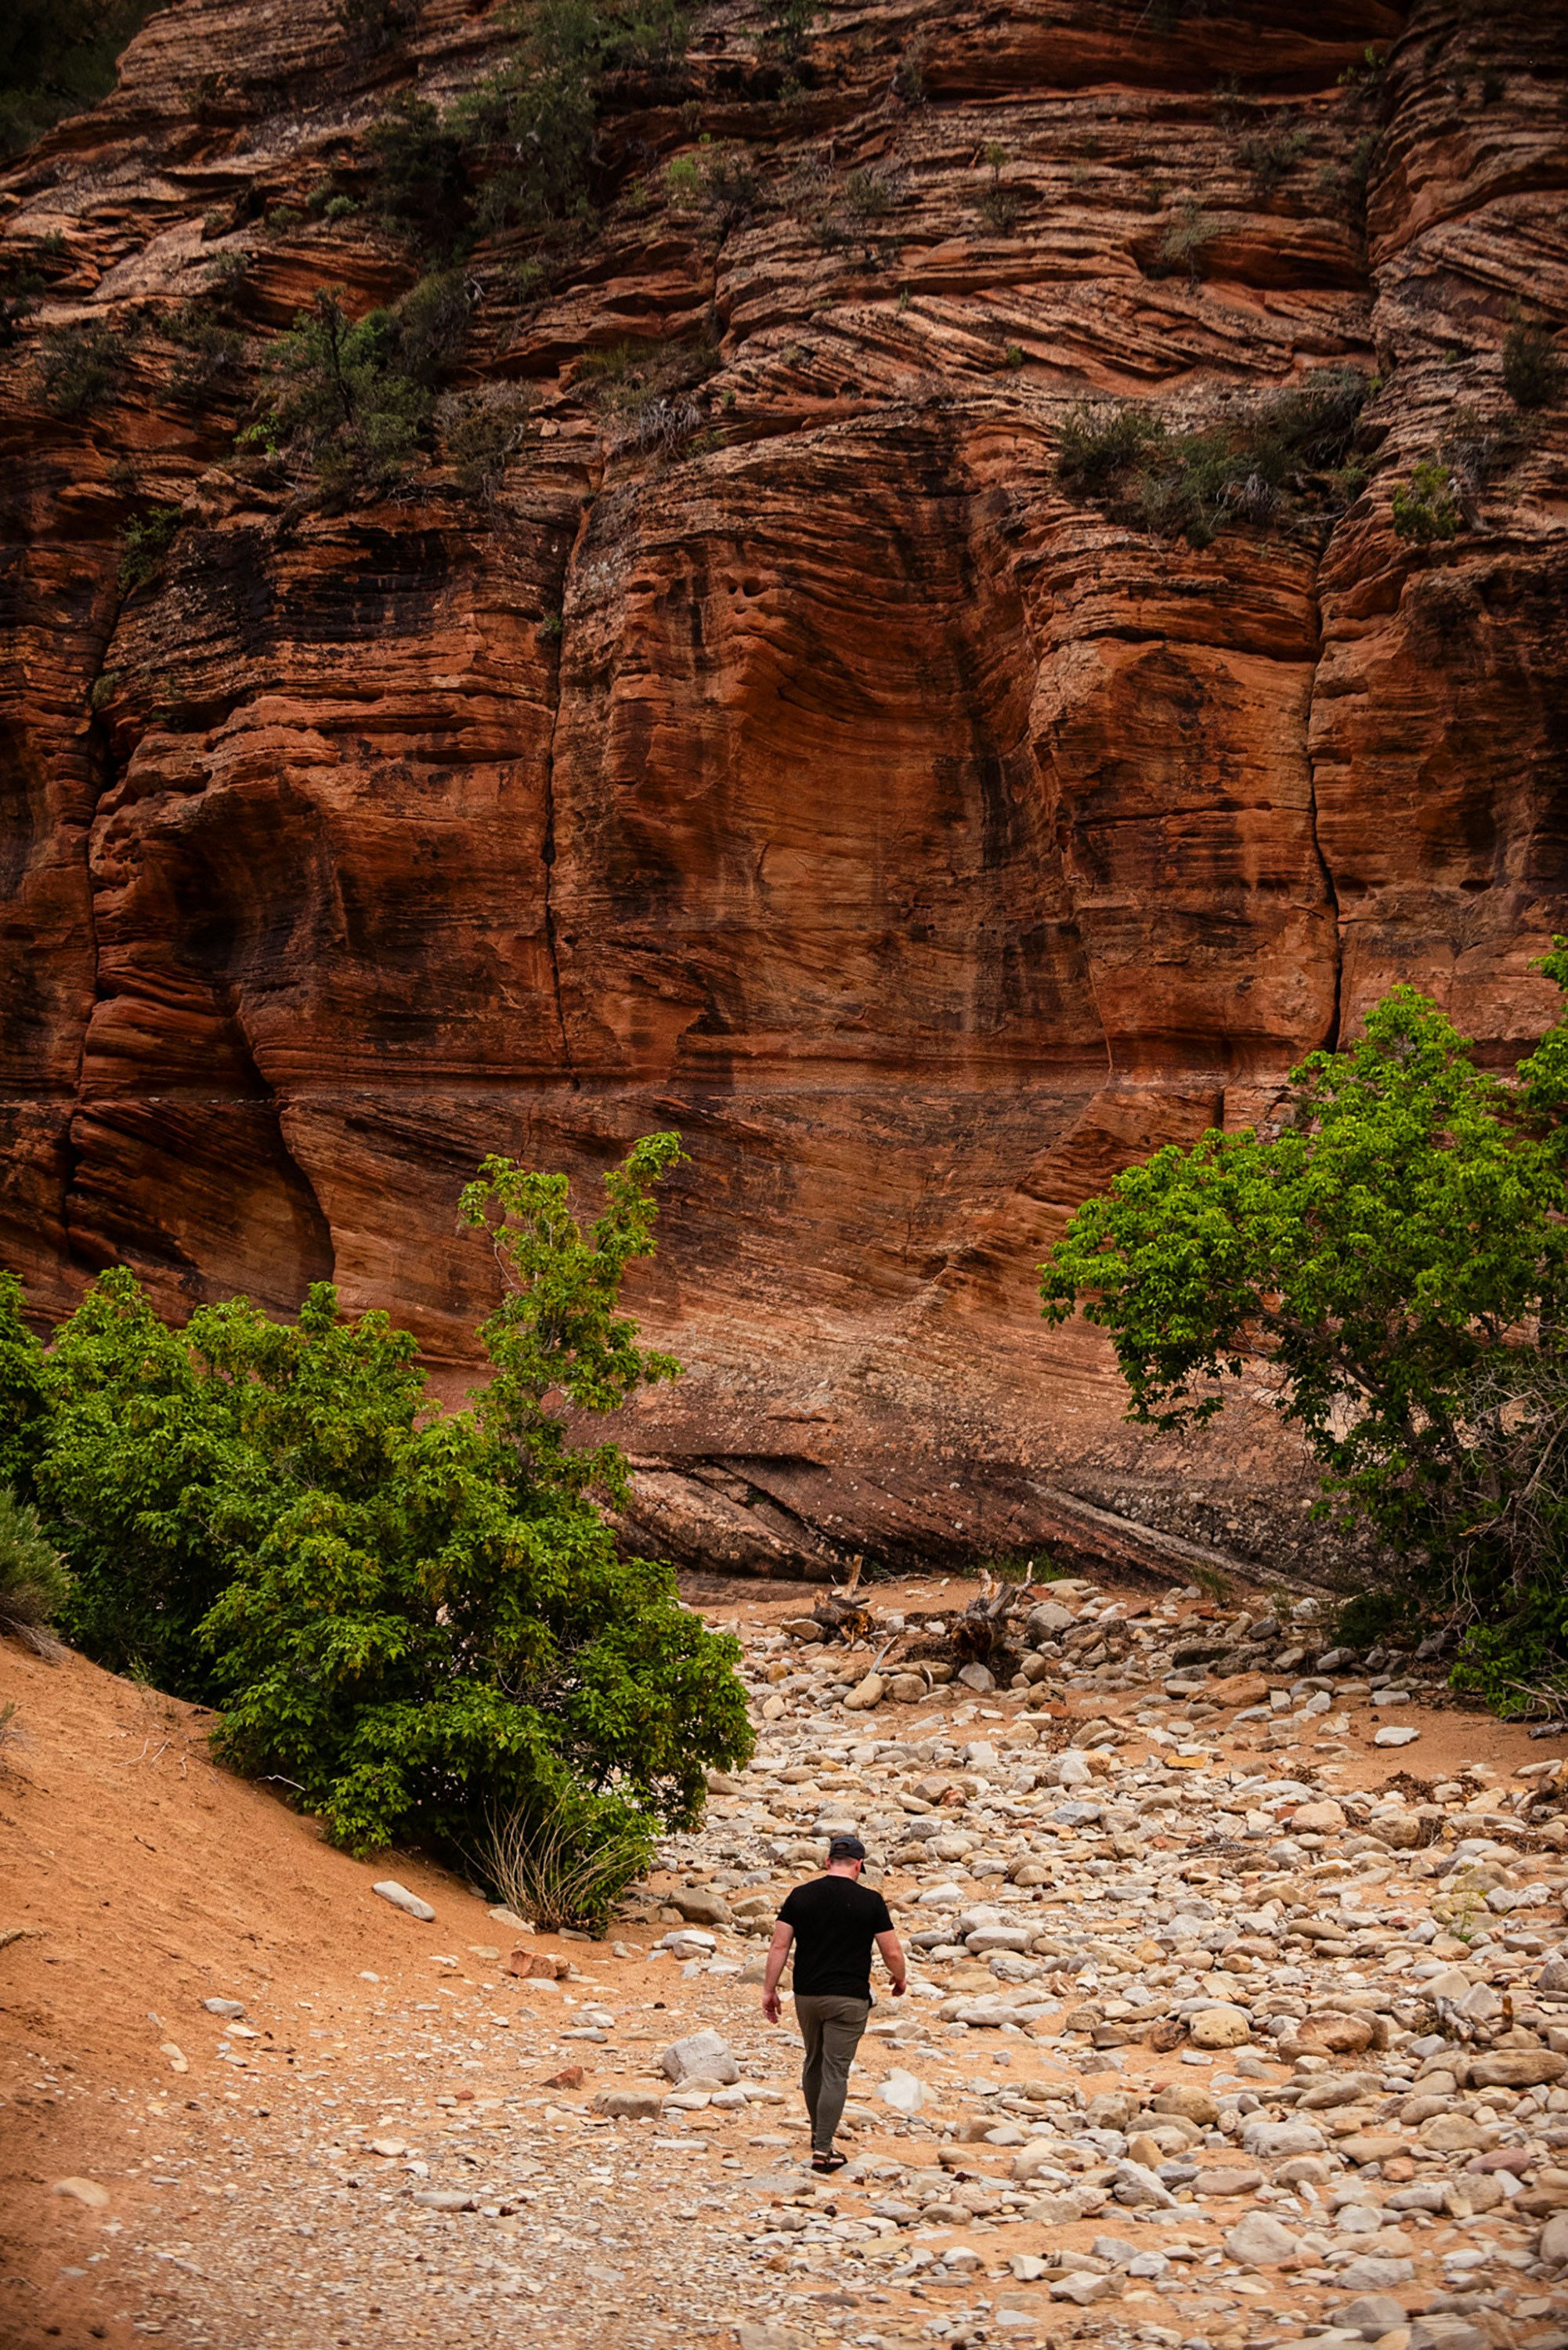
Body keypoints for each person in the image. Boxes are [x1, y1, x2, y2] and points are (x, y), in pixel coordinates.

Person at [762, 1833, 906, 2174]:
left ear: (828, 1862)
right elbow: (892, 1951)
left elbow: (779, 1947)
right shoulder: (871, 1901)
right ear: (859, 1865)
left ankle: (817, 2134)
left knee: (813, 2062)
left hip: (807, 1995)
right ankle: (824, 2150)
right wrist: (899, 1978)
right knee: (836, 2071)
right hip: (848, 1998)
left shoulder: (800, 1896)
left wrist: (769, 1990)